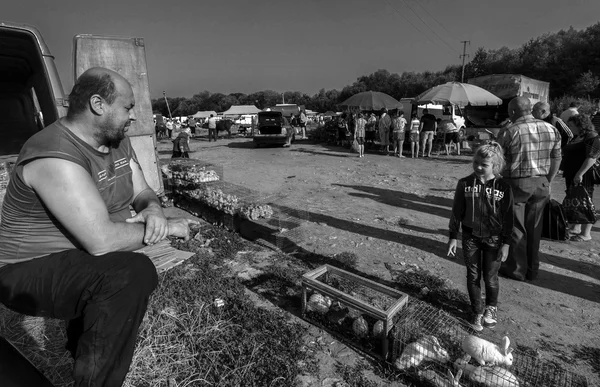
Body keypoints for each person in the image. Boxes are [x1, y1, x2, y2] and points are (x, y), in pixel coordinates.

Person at [0, 67, 197, 386]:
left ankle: (81, 351)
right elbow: (101, 241)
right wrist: (170, 228)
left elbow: (142, 190)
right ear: (98, 104)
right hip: (24, 270)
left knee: (114, 268)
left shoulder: (116, 140)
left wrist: (154, 211)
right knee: (129, 273)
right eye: (128, 107)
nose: (133, 116)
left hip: (73, 255)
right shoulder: (55, 153)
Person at [447, 142, 514, 332]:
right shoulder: (465, 184)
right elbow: (456, 212)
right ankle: (477, 309)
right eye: (476, 162)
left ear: (495, 165)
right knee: (473, 274)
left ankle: (491, 308)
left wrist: (507, 243)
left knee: (491, 276)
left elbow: (509, 218)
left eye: (483, 165)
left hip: (494, 239)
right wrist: (453, 236)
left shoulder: (504, 188)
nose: (478, 167)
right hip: (470, 237)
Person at [496, 96, 562, 281]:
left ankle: (517, 270)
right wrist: (548, 179)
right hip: (541, 183)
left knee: (516, 227)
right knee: (535, 228)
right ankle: (532, 270)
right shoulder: (551, 129)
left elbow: (497, 158)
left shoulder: (509, 130)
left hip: (517, 183)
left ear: (514, 111)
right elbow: (557, 157)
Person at [562, 114, 600, 241]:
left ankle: (586, 233)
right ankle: (576, 227)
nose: (569, 127)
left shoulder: (592, 137)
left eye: (571, 125)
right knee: (575, 200)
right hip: (573, 173)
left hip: (584, 175)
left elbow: (592, 158)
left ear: (580, 125)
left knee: (585, 201)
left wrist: (580, 174)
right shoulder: (579, 136)